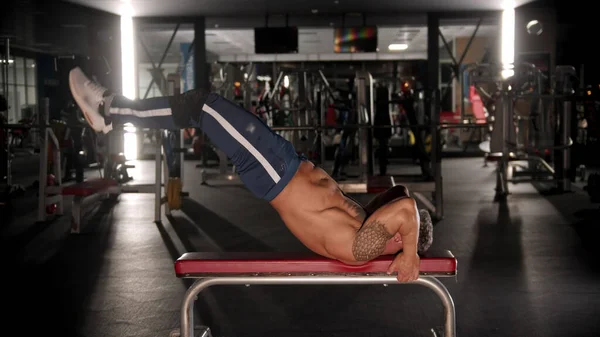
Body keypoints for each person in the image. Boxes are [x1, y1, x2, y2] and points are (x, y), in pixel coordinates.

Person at [68, 67, 433, 282]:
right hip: (279, 163)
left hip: (275, 171)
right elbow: (402, 199)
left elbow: (405, 210)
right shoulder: (367, 227)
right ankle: (110, 111)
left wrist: (413, 253)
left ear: (400, 242)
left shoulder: (361, 248)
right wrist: (410, 238)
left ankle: (107, 108)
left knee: (201, 105)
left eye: (402, 236)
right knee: (200, 108)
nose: (399, 226)